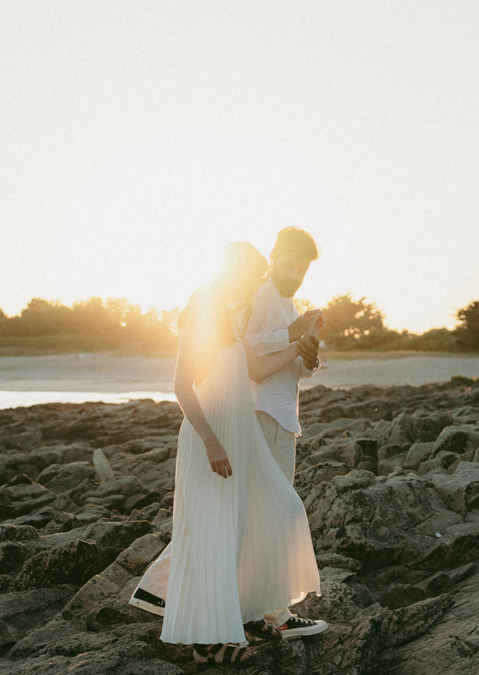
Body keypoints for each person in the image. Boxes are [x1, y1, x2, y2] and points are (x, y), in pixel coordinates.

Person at [131, 228, 330, 643]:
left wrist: (306, 354)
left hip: (278, 417)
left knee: (246, 517)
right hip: (254, 415)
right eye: (289, 263)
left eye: (302, 267)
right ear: (274, 258)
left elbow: (283, 359)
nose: (295, 273)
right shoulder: (254, 294)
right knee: (265, 514)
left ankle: (177, 594)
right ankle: (272, 612)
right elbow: (247, 354)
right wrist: (292, 337)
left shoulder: (288, 303)